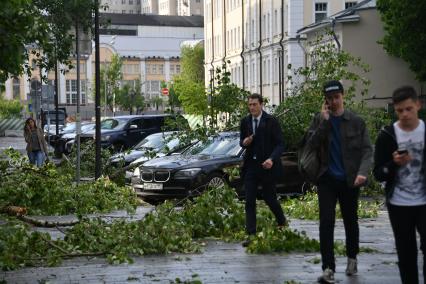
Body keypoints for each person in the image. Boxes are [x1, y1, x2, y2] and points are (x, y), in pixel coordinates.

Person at [304, 80, 373, 283]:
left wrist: (363, 172)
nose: (334, 102)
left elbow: (368, 150)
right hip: (326, 179)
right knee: (326, 222)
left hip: (350, 180)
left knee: (350, 220)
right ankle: (328, 267)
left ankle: (352, 257)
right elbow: (310, 145)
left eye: (336, 97)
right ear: (325, 100)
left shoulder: (356, 121)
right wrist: (324, 122)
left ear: (343, 96)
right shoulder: (319, 120)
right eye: (330, 99)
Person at [373, 86, 426, 284]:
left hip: (424, 202)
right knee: (406, 253)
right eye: (399, 110)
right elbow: (378, 173)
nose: (404, 114)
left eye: (408, 109)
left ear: (418, 105)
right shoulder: (387, 136)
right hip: (399, 203)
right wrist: (393, 164)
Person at [239, 93, 287, 247]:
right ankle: (251, 234)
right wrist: (244, 142)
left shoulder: (271, 121)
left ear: (261, 105)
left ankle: (282, 221)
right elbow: (242, 142)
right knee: (249, 200)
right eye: (250, 105)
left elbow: (280, 144)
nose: (252, 107)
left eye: (254, 104)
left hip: (267, 166)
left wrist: (272, 159)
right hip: (251, 167)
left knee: (269, 197)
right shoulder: (245, 122)